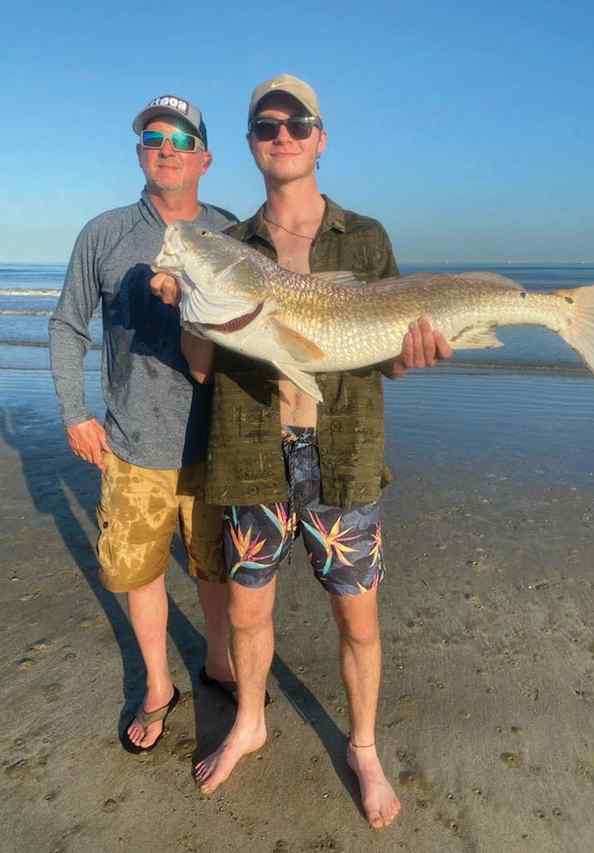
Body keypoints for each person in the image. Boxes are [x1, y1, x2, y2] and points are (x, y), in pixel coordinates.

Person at [152, 75, 451, 827]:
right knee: (248, 616)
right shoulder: (231, 244)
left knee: (358, 619)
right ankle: (250, 719)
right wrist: (189, 298)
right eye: (266, 125)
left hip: (343, 455)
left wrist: (410, 350)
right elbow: (198, 365)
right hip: (252, 454)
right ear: (252, 144)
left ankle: (365, 746)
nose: (281, 135)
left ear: (321, 138)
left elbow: (383, 355)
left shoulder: (368, 238)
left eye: (297, 123)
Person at [49, 94, 237, 754]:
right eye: (153, 137)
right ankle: (159, 684)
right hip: (132, 443)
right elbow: (68, 325)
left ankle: (219, 666)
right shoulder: (102, 233)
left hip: (217, 445)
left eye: (181, 139)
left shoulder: (232, 232)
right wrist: (74, 413)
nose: (166, 147)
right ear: (139, 153)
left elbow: (264, 330)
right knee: (141, 572)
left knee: (215, 569)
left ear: (205, 159)